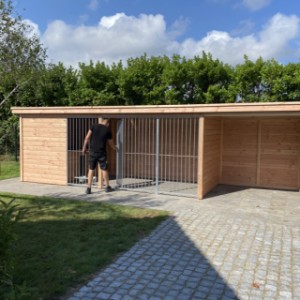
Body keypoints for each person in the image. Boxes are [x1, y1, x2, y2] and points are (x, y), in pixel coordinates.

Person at [82, 118, 117, 194]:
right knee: (104, 169)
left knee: (91, 169)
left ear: (101, 121)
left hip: (92, 152)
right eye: (108, 124)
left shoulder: (93, 126)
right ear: (107, 123)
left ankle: (88, 188)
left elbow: (87, 137)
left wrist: (84, 148)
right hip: (101, 153)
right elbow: (111, 143)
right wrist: (115, 148)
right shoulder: (108, 131)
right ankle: (107, 187)